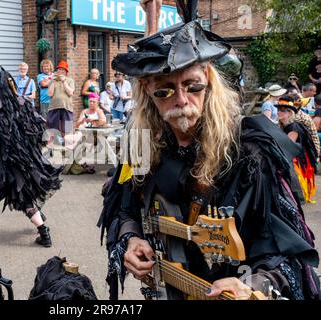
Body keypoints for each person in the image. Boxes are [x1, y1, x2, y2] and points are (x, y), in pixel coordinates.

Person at [98, 0, 319, 300]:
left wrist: (253, 286)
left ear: (210, 84)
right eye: (165, 90)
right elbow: (122, 206)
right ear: (147, 92)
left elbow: (290, 256)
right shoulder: (140, 142)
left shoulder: (250, 153)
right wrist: (130, 236)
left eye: (193, 86)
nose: (181, 99)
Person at [0, 63, 62, 247]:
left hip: (11, 160)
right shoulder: (21, 100)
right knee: (30, 189)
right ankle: (38, 215)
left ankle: (44, 232)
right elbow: (38, 126)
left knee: (23, 197)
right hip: (28, 156)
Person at [277, 96, 317, 204]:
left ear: (290, 113)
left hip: (297, 159)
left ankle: (298, 195)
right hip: (291, 154)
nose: (279, 112)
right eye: (278, 110)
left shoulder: (294, 127)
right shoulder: (283, 125)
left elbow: (287, 146)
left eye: (282, 111)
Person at [47, 60, 75, 142]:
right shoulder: (52, 80)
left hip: (67, 106)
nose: (61, 71)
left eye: (63, 70)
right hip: (54, 107)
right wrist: (53, 81)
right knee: (52, 128)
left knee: (67, 128)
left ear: (66, 72)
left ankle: (68, 146)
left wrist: (63, 81)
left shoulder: (70, 80)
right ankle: (54, 145)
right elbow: (50, 94)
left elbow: (70, 92)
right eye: (59, 69)